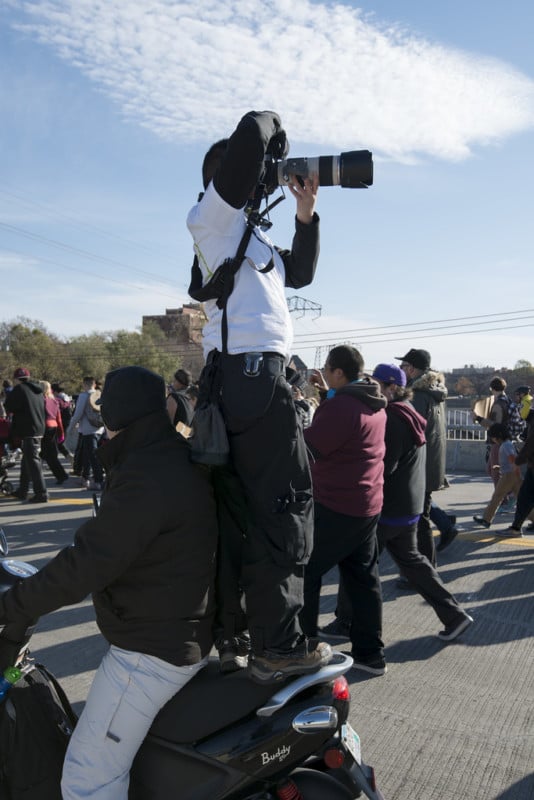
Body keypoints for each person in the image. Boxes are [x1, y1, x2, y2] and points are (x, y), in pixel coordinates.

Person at [0, 366, 218, 800]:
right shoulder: (167, 456)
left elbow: (86, 563)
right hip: (175, 630)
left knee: (86, 780)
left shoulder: (146, 475)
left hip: (150, 652)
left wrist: (11, 606)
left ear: (118, 414)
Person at [186, 109, 331, 683]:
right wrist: (278, 140)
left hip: (242, 382)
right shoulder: (212, 217)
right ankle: (279, 645)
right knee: (284, 506)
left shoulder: (249, 237)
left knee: (240, 515)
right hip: (250, 379)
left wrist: (305, 211)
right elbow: (253, 130)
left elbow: (301, 274)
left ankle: (234, 635)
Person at [300, 346, 387, 676]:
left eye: (327, 368)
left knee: (304, 571)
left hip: (336, 504)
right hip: (367, 504)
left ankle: (303, 650)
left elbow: (308, 448)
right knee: (363, 579)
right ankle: (370, 653)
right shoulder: (373, 402)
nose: (324, 372)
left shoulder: (341, 407)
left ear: (338, 372)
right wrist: (327, 395)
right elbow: (348, 429)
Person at [372, 364, 473, 640]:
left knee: (359, 565)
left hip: (389, 507)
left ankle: (349, 623)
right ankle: (455, 616)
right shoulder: (409, 412)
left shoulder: (393, 418)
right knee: (414, 564)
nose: (373, 389)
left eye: (376, 384)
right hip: (408, 505)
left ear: (392, 387)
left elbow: (385, 466)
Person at [396, 349, 456, 563]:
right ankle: (425, 564)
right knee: (421, 514)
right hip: (430, 461)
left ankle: (424, 567)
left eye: (404, 366)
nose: (402, 370)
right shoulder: (434, 391)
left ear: (412, 368)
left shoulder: (418, 395)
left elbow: (412, 432)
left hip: (419, 464)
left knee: (419, 519)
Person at [4, 367, 48, 503]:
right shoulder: (38, 391)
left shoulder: (20, 389)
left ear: (16, 379)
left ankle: (41, 493)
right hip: (39, 429)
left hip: (28, 430)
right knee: (27, 461)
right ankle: (22, 490)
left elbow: (9, 406)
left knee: (33, 462)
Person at [473, 423, 522, 529]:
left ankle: (486, 519)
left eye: (493, 437)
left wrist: (514, 472)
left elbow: (512, 459)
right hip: (512, 475)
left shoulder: (505, 445)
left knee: (497, 497)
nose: (493, 440)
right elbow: (511, 461)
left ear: (498, 436)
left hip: (508, 476)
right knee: (523, 501)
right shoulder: (508, 444)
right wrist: (500, 468)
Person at [67, 376, 105, 491]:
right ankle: (85, 478)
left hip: (88, 430)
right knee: (87, 455)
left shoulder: (83, 396)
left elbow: (78, 414)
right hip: (99, 428)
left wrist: (70, 428)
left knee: (92, 456)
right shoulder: (100, 394)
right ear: (94, 384)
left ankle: (98, 481)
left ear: (84, 384)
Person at [40, 380, 69, 485]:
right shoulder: (54, 401)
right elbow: (59, 419)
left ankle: (61, 475)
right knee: (49, 453)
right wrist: (61, 433)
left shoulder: (41, 400)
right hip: (54, 427)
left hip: (44, 427)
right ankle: (61, 475)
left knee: (47, 455)